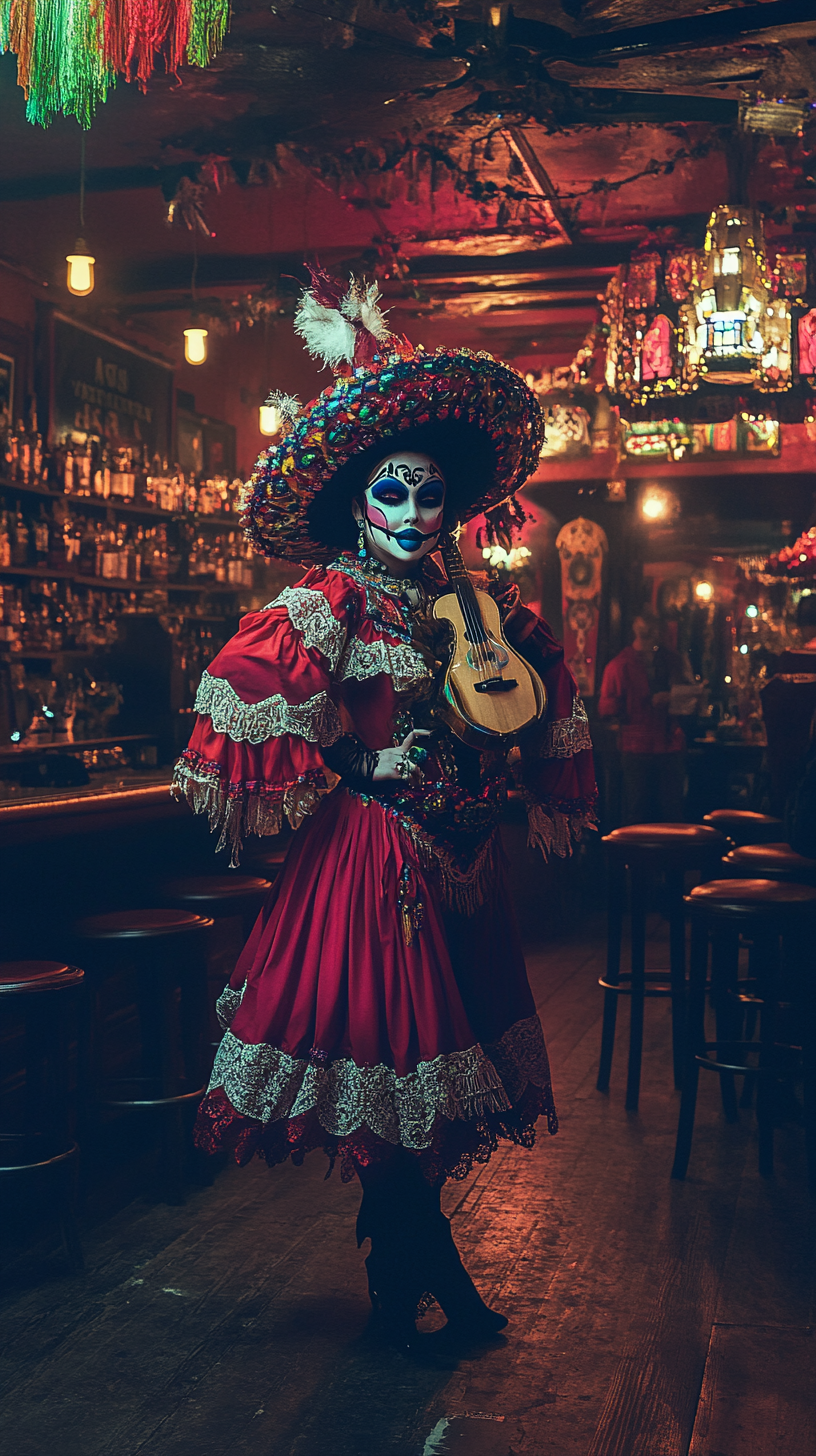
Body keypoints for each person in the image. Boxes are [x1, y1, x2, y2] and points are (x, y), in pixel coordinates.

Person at [172, 268, 597, 1360]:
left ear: (454, 502)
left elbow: (546, 697)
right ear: (358, 500)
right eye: (391, 494)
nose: (412, 514)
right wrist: (352, 751)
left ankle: (398, 1261)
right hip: (373, 864)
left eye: (429, 495)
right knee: (397, 1068)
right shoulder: (334, 599)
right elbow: (245, 693)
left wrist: (508, 731)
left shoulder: (476, 604)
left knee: (437, 1079)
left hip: (462, 865)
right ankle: (429, 1269)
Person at [598, 609, 687, 823]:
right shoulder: (621, 665)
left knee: (662, 808)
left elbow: (689, 693)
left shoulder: (668, 660)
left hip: (663, 743)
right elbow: (607, 708)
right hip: (641, 744)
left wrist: (671, 697)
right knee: (642, 807)